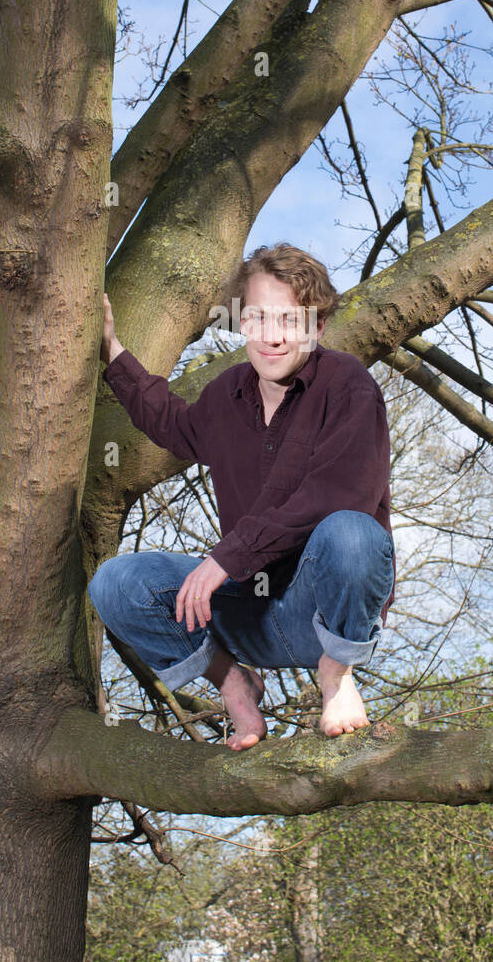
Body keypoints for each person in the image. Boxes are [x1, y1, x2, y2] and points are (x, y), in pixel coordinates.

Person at [90, 242, 396, 751]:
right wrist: (112, 350)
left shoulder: (348, 385)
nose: (271, 337)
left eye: (290, 321)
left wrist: (223, 559)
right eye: (257, 318)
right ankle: (235, 684)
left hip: (318, 614)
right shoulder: (228, 394)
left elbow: (334, 495)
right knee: (117, 583)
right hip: (246, 613)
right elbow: (174, 424)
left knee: (352, 533)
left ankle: (337, 674)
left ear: (318, 328)